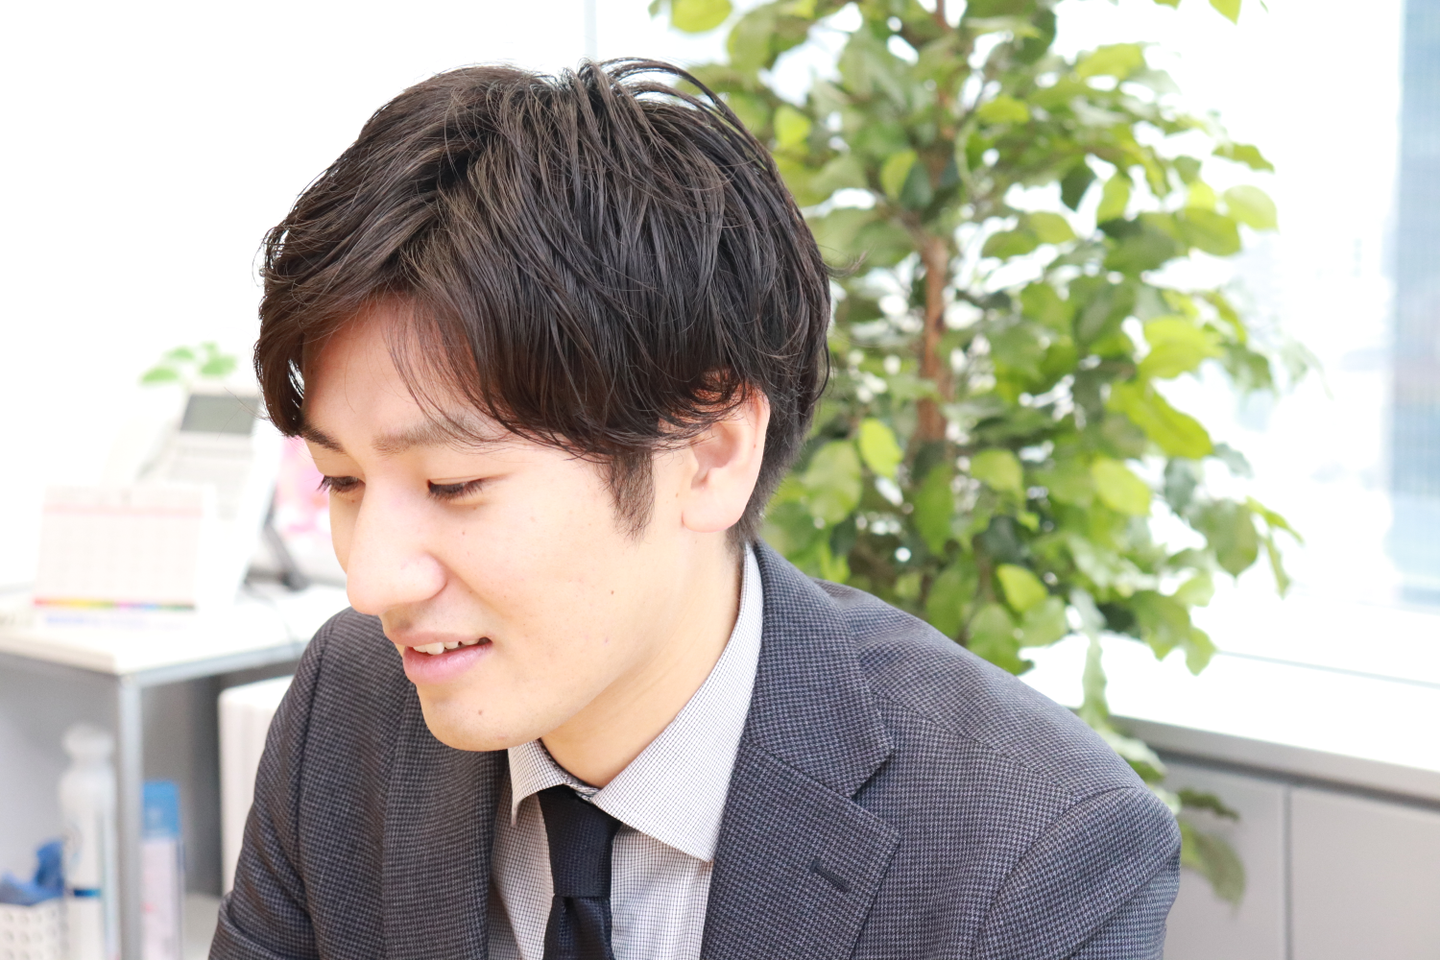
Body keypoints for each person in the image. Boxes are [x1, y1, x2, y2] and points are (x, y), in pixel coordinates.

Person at [214, 59, 1180, 960]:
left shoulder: (1029, 851)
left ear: (709, 454)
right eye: (342, 481)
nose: (371, 581)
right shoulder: (350, 705)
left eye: (452, 485)